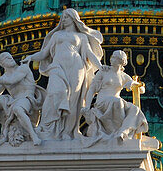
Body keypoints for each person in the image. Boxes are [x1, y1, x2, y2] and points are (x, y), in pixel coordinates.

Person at [22, 8, 103, 140]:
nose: (63, 19)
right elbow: (44, 53)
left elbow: (89, 53)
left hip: (77, 67)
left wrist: (100, 66)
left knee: (73, 100)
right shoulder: (56, 35)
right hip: (57, 67)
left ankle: (68, 132)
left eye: (66, 17)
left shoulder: (81, 36)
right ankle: (49, 129)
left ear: (73, 19)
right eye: (63, 17)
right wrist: (31, 57)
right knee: (54, 93)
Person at [0, 52, 42, 144]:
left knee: (17, 109)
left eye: (11, 57)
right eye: (7, 58)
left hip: (26, 99)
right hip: (13, 101)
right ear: (2, 64)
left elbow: (11, 81)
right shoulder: (4, 77)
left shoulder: (23, 68)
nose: (11, 59)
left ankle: (33, 135)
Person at [83, 50, 148, 142]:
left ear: (121, 62)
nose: (111, 59)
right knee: (117, 101)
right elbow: (92, 90)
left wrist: (133, 83)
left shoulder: (123, 76)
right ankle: (116, 132)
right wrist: (87, 107)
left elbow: (142, 90)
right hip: (102, 102)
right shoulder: (103, 72)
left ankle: (122, 132)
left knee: (135, 110)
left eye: (114, 58)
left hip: (116, 102)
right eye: (112, 57)